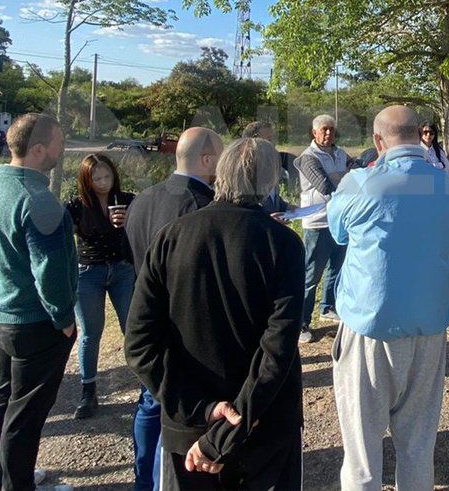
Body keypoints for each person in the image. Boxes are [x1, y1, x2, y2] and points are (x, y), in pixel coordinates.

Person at [125, 138, 304, 490]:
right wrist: (230, 422)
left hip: (191, 428)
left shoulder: (170, 237)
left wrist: (203, 410)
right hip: (262, 425)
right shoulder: (282, 244)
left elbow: (139, 344)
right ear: (271, 183)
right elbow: (277, 350)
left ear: (219, 174)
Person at [327, 105, 449, 491]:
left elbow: (338, 232)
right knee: (419, 446)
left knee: (362, 456)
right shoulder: (445, 184)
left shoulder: (359, 182)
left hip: (370, 327)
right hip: (429, 326)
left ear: (377, 141)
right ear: (421, 136)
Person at [0, 113, 76, 491]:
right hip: (34, 322)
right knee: (26, 414)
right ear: (38, 149)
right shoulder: (38, 198)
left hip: (0, 314)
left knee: (2, 399)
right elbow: (49, 270)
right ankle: (17, 486)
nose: (63, 148)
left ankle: (1, 478)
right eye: (59, 143)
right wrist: (64, 317)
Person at [125, 127, 224, 491]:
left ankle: (142, 478)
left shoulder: (143, 199)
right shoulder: (204, 209)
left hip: (146, 318)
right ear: (207, 160)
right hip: (185, 327)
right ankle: (165, 478)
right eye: (220, 156)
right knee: (179, 410)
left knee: (150, 402)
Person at [65, 153, 136, 419]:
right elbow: (61, 238)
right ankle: (88, 390)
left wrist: (130, 221)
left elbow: (145, 229)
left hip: (122, 270)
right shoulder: (76, 206)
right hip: (88, 272)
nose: (103, 182)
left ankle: (146, 384)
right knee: (91, 331)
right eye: (97, 178)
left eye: (107, 176)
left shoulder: (127, 201)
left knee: (132, 326)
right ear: (87, 179)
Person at [294, 114, 352, 343]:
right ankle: (301, 322)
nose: (329, 134)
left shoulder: (340, 153)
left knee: (336, 269)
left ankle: (328, 307)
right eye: (324, 130)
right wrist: (346, 179)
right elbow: (325, 186)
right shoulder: (307, 158)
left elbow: (356, 172)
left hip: (338, 221)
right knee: (311, 275)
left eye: (332, 130)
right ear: (314, 133)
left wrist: (347, 177)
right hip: (317, 223)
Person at [242, 120, 292, 216]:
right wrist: (266, 218)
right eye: (269, 139)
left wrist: (287, 207)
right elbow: (243, 204)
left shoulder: (271, 162)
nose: (273, 143)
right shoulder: (243, 168)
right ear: (254, 140)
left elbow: (272, 196)